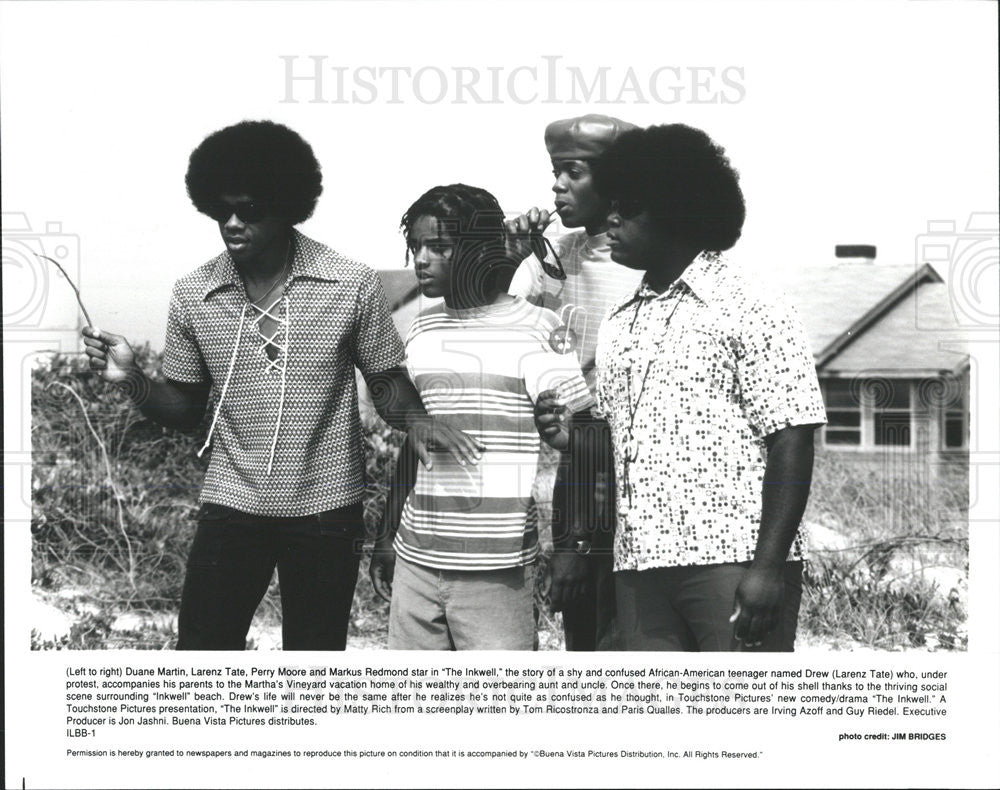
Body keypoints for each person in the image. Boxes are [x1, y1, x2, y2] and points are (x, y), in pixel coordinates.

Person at [81, 120, 481, 651]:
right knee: (202, 652)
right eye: (220, 209)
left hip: (326, 507)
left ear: (287, 205)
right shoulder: (195, 293)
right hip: (230, 502)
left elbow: (385, 379)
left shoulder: (349, 283)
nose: (231, 222)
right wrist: (132, 380)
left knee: (313, 662)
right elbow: (182, 408)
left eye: (249, 209)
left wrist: (417, 421)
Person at [590, 124, 827, 651]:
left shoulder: (753, 304)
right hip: (638, 566)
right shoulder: (618, 320)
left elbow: (792, 437)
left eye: (627, 207)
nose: (610, 218)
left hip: (734, 560)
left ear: (676, 208)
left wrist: (767, 568)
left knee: (743, 726)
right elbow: (614, 441)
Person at [369, 184, 594, 650]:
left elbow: (587, 441)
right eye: (416, 247)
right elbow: (418, 444)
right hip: (416, 561)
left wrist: (571, 548)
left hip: (498, 570)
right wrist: (388, 536)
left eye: (439, 247)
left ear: (477, 249)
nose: (421, 260)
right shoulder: (424, 327)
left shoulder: (538, 328)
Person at [506, 114, 642, 651]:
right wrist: (510, 258)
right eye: (555, 172)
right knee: (582, 609)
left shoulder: (654, 257)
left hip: (647, 447)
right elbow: (510, 326)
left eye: (573, 172)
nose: (557, 186)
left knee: (636, 619)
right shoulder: (555, 255)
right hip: (582, 448)